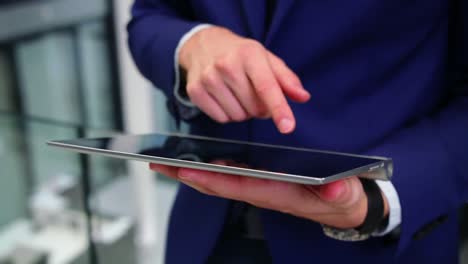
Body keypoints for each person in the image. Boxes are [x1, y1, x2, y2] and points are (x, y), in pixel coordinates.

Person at [128, 0, 468, 263]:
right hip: (206, 235)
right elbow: (150, 15)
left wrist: (383, 195)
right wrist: (191, 43)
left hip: (375, 245)